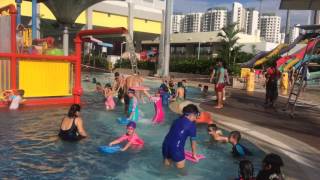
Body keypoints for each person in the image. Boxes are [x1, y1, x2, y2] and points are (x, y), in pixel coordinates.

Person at [162, 104, 200, 169]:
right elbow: (193, 141)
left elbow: (174, 134)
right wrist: (194, 154)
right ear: (191, 115)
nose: (196, 118)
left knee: (166, 168)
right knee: (181, 172)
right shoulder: (192, 125)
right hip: (176, 149)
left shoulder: (176, 121)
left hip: (165, 146)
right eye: (196, 115)